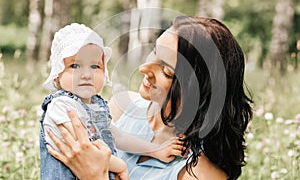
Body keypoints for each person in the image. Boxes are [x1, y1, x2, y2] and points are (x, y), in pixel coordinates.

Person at [47, 16, 253, 180]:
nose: (144, 68)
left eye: (166, 70)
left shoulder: (200, 174)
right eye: (154, 51)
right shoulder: (121, 108)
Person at [40, 23, 185, 180]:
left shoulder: (95, 106)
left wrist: (155, 150)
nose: (87, 74)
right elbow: (86, 153)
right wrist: (120, 166)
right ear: (57, 74)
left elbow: (119, 137)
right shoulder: (61, 105)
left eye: (95, 66)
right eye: (75, 66)